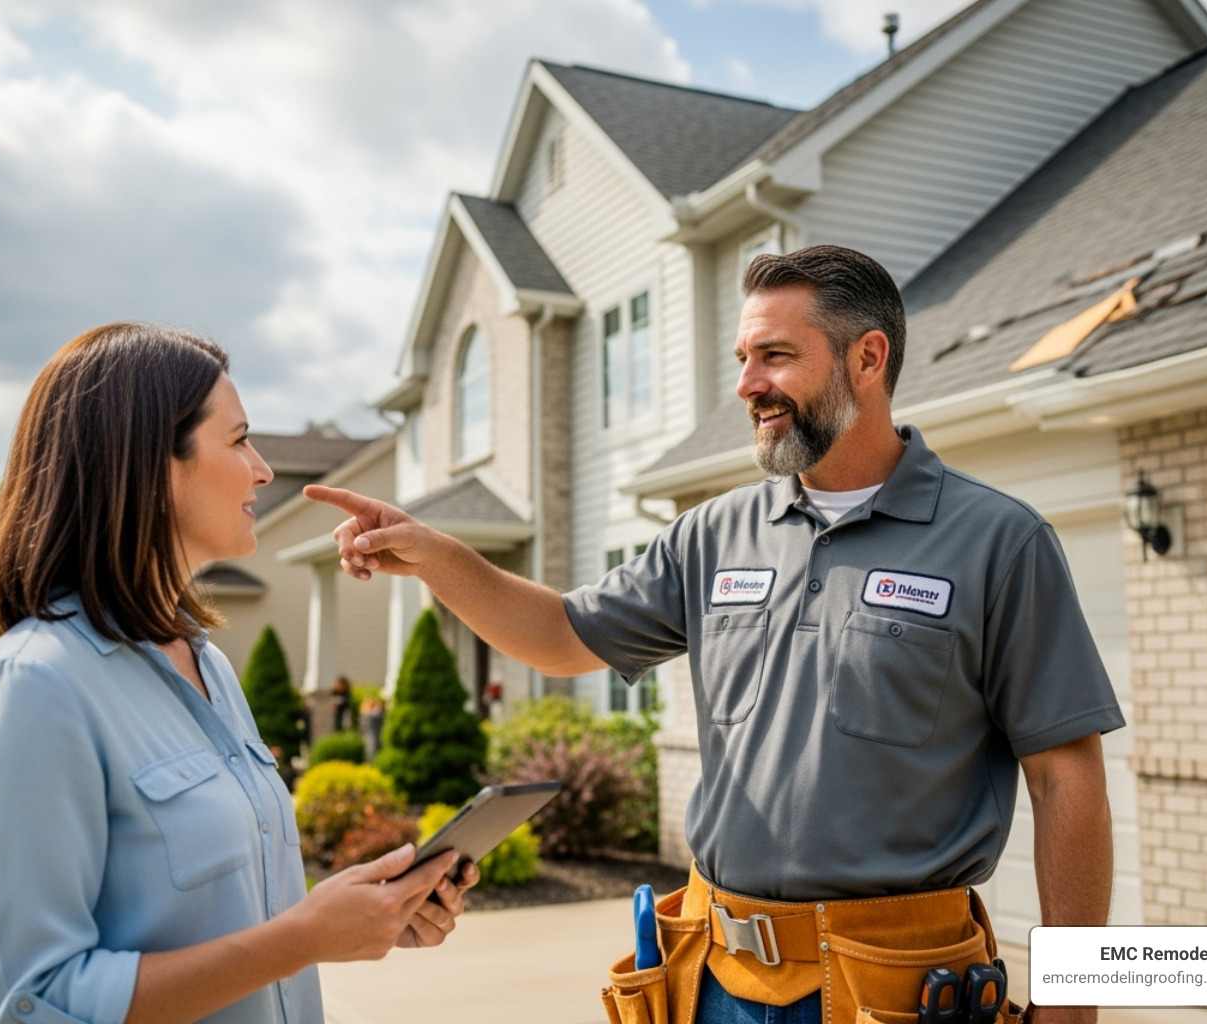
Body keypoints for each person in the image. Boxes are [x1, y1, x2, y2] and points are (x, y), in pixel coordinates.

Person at [309, 247, 1122, 1024]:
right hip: (713, 980)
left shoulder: (996, 542)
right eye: (742, 358)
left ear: (867, 360)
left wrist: (1071, 1004)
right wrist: (437, 556)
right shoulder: (713, 536)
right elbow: (562, 635)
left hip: (899, 990)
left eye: (774, 356)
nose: (746, 385)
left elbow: (1066, 781)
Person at [0, 323, 476, 1024]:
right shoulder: (36, 687)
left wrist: (354, 920)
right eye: (239, 438)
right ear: (152, 461)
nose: (262, 469)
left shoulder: (210, 668)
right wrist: (300, 938)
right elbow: (31, 1005)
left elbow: (237, 933)